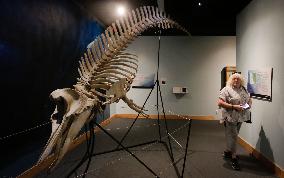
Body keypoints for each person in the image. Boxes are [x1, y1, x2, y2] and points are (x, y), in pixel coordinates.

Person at [217, 73, 252, 170]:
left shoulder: (244, 89)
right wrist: (234, 106)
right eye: (234, 79)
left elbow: (249, 101)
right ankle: (234, 156)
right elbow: (220, 102)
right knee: (234, 136)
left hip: (241, 117)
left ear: (241, 80)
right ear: (231, 80)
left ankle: (228, 150)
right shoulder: (226, 89)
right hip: (230, 117)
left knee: (232, 135)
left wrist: (247, 105)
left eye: (238, 79)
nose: (236, 80)